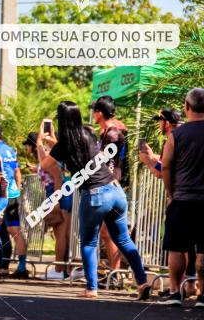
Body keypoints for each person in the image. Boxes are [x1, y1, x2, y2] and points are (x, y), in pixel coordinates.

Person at [40, 101, 151, 300]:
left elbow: (46, 163)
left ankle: (92, 288)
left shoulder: (64, 144)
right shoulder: (87, 133)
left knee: (89, 243)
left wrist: (41, 143)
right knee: (124, 239)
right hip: (115, 190)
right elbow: (78, 149)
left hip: (94, 194)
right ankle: (142, 282)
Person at [159, 89, 204, 307]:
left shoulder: (176, 135)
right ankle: (202, 295)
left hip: (182, 199)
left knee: (176, 247)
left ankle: (175, 292)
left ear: (187, 107)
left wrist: (170, 192)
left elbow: (166, 165)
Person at [24, 132, 71, 279]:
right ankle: (63, 269)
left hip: (58, 194)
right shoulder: (52, 156)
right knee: (62, 234)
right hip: (60, 193)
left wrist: (56, 200)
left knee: (61, 234)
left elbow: (57, 176)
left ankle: (59, 270)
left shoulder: (49, 157)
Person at [0, 122, 27, 278]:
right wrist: (17, 190)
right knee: (16, 231)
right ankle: (22, 267)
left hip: (1, 196)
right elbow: (17, 172)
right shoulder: (10, 150)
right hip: (13, 195)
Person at [91, 95, 129, 273]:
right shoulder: (110, 130)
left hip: (112, 186)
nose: (92, 114)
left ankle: (117, 272)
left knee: (110, 233)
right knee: (108, 233)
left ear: (99, 113)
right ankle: (115, 272)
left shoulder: (113, 133)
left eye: (94, 111)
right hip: (110, 185)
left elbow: (109, 162)